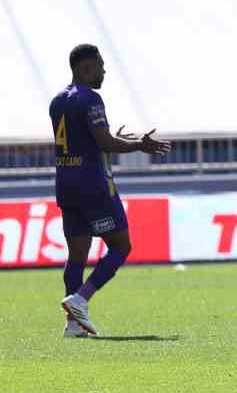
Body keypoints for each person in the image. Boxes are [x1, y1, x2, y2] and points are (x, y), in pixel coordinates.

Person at [52, 44, 170, 337]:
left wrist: (113, 138)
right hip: (94, 185)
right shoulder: (91, 98)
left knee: (77, 254)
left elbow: (86, 139)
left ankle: (73, 325)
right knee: (120, 246)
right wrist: (139, 145)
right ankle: (80, 300)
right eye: (100, 65)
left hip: (66, 184)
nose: (104, 70)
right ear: (86, 68)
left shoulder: (57, 101)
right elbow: (104, 143)